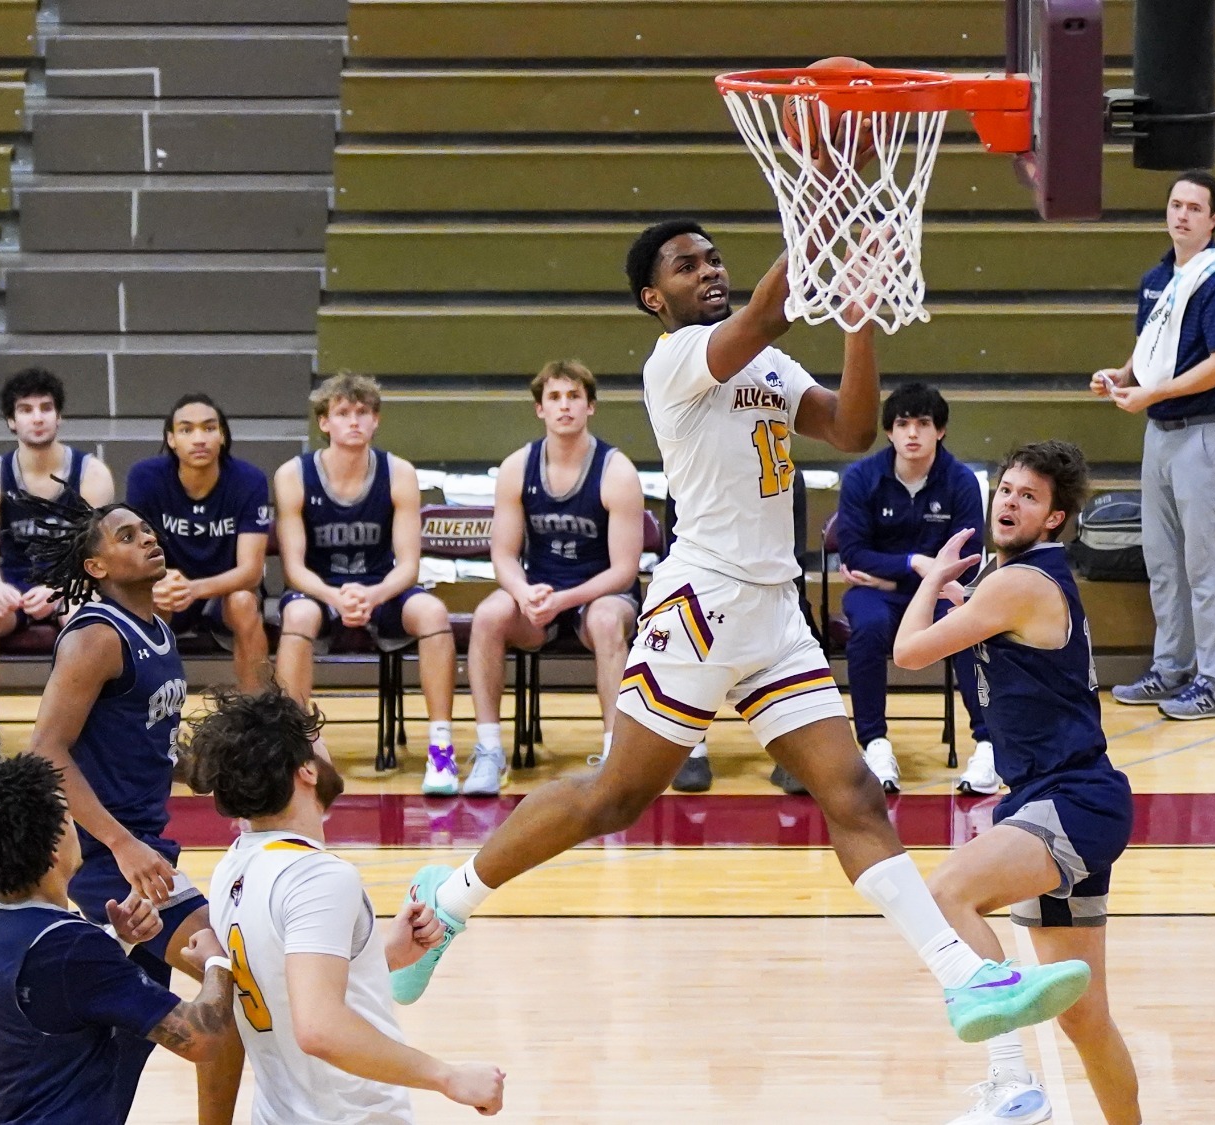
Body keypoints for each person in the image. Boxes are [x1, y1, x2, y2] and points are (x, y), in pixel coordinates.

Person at [389, 219, 1095, 1052]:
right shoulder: (678, 358)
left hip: (772, 610)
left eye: (714, 257)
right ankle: (448, 898)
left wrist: (858, 315)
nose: (708, 269)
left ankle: (963, 977)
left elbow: (850, 429)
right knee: (615, 796)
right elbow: (767, 310)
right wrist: (828, 213)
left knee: (855, 795)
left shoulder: (765, 363)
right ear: (655, 297)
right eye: (687, 265)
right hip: (703, 603)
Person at [895, 441, 1141, 1125]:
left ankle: (1012, 1086)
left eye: (1028, 496)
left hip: (1070, 800)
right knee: (1087, 1019)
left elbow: (909, 651)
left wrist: (931, 580)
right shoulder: (1013, 585)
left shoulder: (1020, 582)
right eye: (1005, 488)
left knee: (945, 892)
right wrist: (961, 598)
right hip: (1066, 803)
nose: (1009, 501)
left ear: (1055, 517)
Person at [18, 491, 243, 1124]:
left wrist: (226, 775)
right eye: (124, 536)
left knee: (123, 1048)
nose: (146, 538)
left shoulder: (158, 628)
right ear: (95, 567)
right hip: (106, 855)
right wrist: (120, 844)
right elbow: (46, 751)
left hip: (144, 843)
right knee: (224, 995)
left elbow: (145, 741)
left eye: (145, 529)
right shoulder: (96, 636)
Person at [181, 685, 507, 1120]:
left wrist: (379, 956)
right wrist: (447, 1076)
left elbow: (281, 981)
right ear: (308, 772)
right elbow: (319, 1029)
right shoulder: (319, 876)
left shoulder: (233, 867)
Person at [0, 753, 237, 1125]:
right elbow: (203, 1036)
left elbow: (45, 993)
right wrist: (217, 961)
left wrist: (119, 939)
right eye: (69, 818)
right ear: (53, 849)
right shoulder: (73, 949)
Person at [1090, 169, 1215, 721]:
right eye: (1175, 204)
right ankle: (1172, 667)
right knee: (1162, 560)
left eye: (1194, 207)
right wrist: (1121, 374)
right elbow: (1152, 349)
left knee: (1204, 565)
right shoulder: (1158, 277)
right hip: (1159, 434)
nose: (1181, 214)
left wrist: (1153, 391)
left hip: (1204, 435)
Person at [462, 360, 643, 797]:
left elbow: (624, 570)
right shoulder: (516, 468)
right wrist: (523, 592)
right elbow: (503, 554)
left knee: (603, 621)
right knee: (488, 615)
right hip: (539, 594)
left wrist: (566, 599)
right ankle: (489, 750)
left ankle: (614, 755)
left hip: (600, 593)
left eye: (574, 397)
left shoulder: (616, 471)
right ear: (539, 409)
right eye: (555, 398)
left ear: (590, 407)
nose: (565, 407)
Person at [274, 374, 457, 786]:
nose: (353, 421)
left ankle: (441, 749)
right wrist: (335, 597)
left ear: (376, 421)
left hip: (382, 586)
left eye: (363, 413)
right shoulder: (293, 474)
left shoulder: (399, 472)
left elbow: (409, 566)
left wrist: (372, 594)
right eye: (342, 413)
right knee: (299, 615)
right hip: (318, 589)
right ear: (324, 422)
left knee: (433, 611)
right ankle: (292, 748)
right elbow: (294, 568)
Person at [832, 382, 996, 795]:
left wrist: (895, 572)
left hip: (938, 592)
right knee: (866, 627)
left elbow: (968, 553)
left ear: (939, 430)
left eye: (923, 424)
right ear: (889, 431)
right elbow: (852, 552)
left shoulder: (960, 482)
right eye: (902, 424)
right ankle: (875, 744)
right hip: (878, 594)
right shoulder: (861, 478)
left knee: (964, 623)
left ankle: (990, 746)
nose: (912, 434)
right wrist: (915, 563)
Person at [0, 368, 115, 779]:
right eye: (26, 410)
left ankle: (75, 736)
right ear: (12, 421)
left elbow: (98, 555)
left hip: (74, 583)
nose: (37, 417)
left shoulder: (91, 474)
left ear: (59, 416)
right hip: (14, 586)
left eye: (46, 408)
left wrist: (61, 588)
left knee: (84, 618)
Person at [125, 394, 272, 691]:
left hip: (225, 591)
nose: (199, 438)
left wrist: (195, 589)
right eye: (186, 429)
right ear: (171, 439)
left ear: (222, 436)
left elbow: (251, 571)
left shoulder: (249, 480)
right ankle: (149, 718)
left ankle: (258, 717)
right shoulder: (145, 477)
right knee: (152, 600)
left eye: (208, 428)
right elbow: (133, 556)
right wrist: (164, 580)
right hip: (169, 587)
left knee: (244, 602)